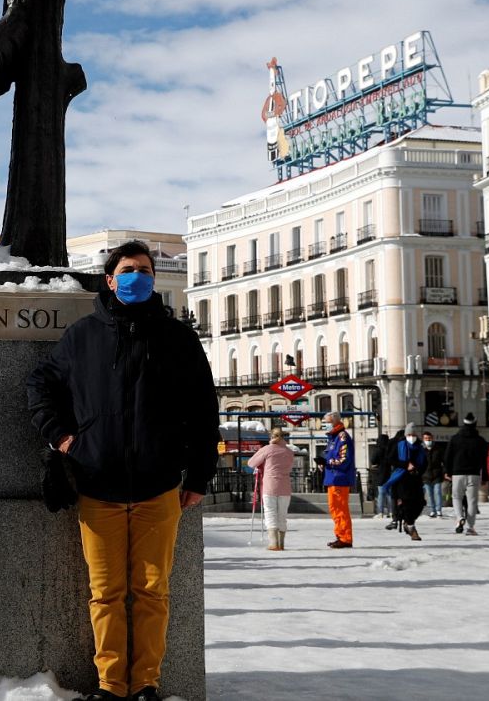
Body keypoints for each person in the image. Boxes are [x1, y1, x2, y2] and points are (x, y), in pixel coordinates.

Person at [27, 240, 219, 701]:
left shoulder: (178, 338)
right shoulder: (83, 336)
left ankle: (146, 684)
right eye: (130, 269)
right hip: (97, 486)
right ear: (110, 279)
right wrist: (65, 437)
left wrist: (198, 476)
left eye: (147, 270)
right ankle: (111, 686)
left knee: (152, 593)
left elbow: (203, 410)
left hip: (159, 489)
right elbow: (40, 384)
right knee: (106, 594)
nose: (140, 276)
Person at [246, 428, 294, 551]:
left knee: (270, 513)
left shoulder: (267, 449)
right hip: (285, 487)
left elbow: (251, 463)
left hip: (270, 486)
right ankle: (281, 543)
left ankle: (273, 543)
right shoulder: (289, 452)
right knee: (282, 515)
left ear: (271, 436)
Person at [444, 412, 489, 535]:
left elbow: (448, 457)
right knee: (472, 501)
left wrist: (447, 471)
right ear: (475, 424)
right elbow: (485, 460)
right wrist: (485, 476)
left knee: (457, 497)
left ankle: (459, 518)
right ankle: (470, 527)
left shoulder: (455, 439)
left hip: (457, 473)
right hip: (474, 474)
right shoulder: (480, 441)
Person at [384, 426, 427, 541]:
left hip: (416, 478)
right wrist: (405, 465)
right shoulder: (399, 445)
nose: (411, 437)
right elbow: (390, 459)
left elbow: (425, 463)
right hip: (402, 478)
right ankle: (411, 527)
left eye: (413, 435)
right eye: (409, 435)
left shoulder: (420, 447)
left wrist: (417, 469)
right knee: (407, 503)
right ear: (406, 435)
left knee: (420, 503)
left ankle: (408, 522)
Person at [322, 412, 356, 548]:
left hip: (339, 477)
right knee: (334, 508)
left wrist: (329, 462)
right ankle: (340, 534)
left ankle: (345, 538)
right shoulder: (333, 438)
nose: (324, 424)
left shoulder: (342, 437)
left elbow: (344, 459)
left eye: (327, 422)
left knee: (340, 508)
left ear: (335, 422)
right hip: (332, 477)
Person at [420, 431, 446, 518]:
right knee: (429, 494)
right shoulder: (421, 450)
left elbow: (444, 461)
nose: (428, 440)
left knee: (437, 492)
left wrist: (444, 472)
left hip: (437, 475)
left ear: (432, 438)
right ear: (423, 440)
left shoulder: (438, 449)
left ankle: (439, 510)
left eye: (429, 438)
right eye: (426, 439)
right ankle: (432, 510)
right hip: (425, 476)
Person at [369, 431, 392, 520]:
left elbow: (373, 460)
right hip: (390, 474)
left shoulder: (378, 450)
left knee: (381, 494)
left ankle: (380, 512)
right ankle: (391, 512)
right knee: (390, 494)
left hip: (381, 474)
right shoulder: (390, 450)